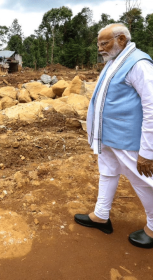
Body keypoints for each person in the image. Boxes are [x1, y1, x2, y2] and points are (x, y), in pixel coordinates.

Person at [74, 23, 153, 249]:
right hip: (107, 136)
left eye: (104, 43)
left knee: (143, 181)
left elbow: (152, 106)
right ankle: (101, 215)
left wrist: (147, 152)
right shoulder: (113, 62)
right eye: (98, 44)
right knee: (107, 173)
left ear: (121, 40)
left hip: (127, 138)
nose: (100, 48)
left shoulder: (139, 64)